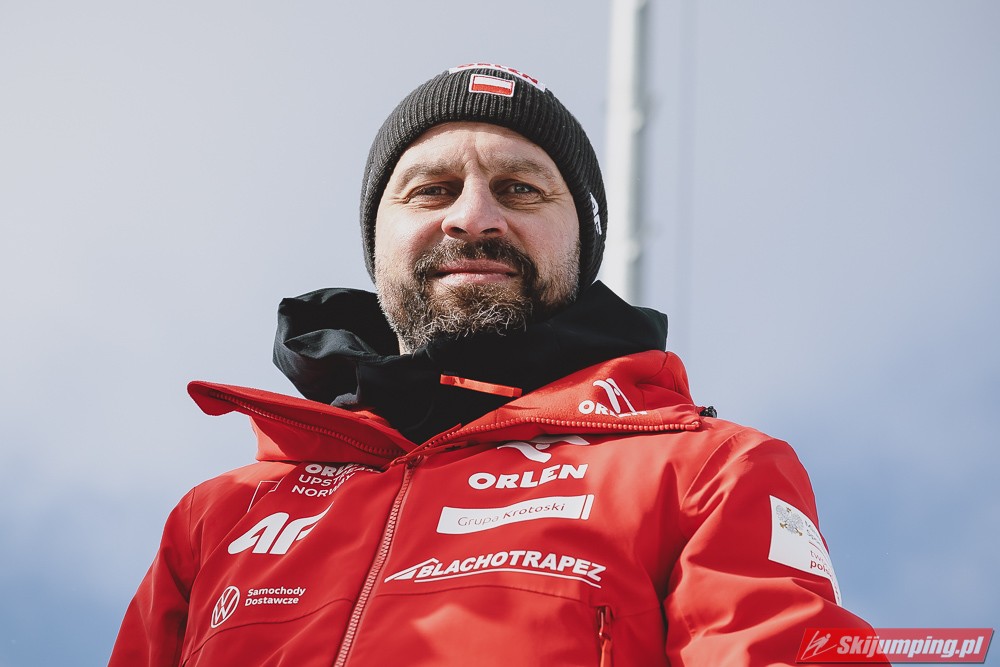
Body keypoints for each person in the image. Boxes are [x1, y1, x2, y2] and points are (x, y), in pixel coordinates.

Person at [110, 63, 880, 666]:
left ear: (581, 248)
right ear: (377, 244)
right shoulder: (222, 516)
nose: (474, 216)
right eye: (432, 189)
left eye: (518, 188)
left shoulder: (704, 472)